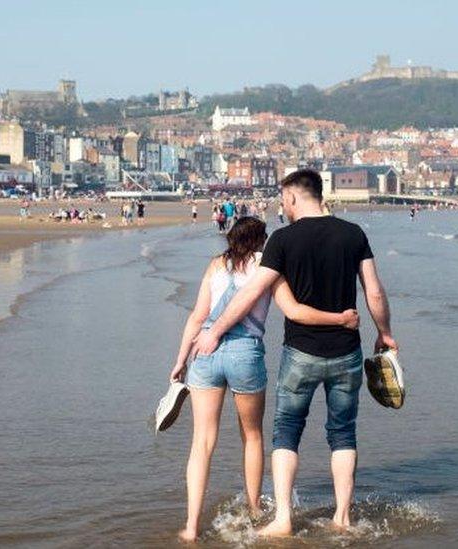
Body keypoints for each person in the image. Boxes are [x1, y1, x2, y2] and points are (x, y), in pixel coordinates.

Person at [192, 168, 397, 537]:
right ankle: (343, 518)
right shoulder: (353, 235)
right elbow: (375, 293)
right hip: (346, 352)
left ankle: (283, 519)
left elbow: (253, 291)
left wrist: (216, 330)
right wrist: (385, 333)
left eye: (283, 201)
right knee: (343, 433)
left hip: (300, 352)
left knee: (286, 431)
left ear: (293, 197)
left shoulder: (283, 240)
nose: (282, 208)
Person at [170, 217, 359, 543]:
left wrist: (180, 360)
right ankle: (255, 508)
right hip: (245, 354)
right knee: (252, 436)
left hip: (204, 350)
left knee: (202, 442)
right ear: (261, 241)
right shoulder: (267, 265)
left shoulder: (215, 265)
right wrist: (341, 318)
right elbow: (295, 311)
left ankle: (190, 526)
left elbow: (197, 316)